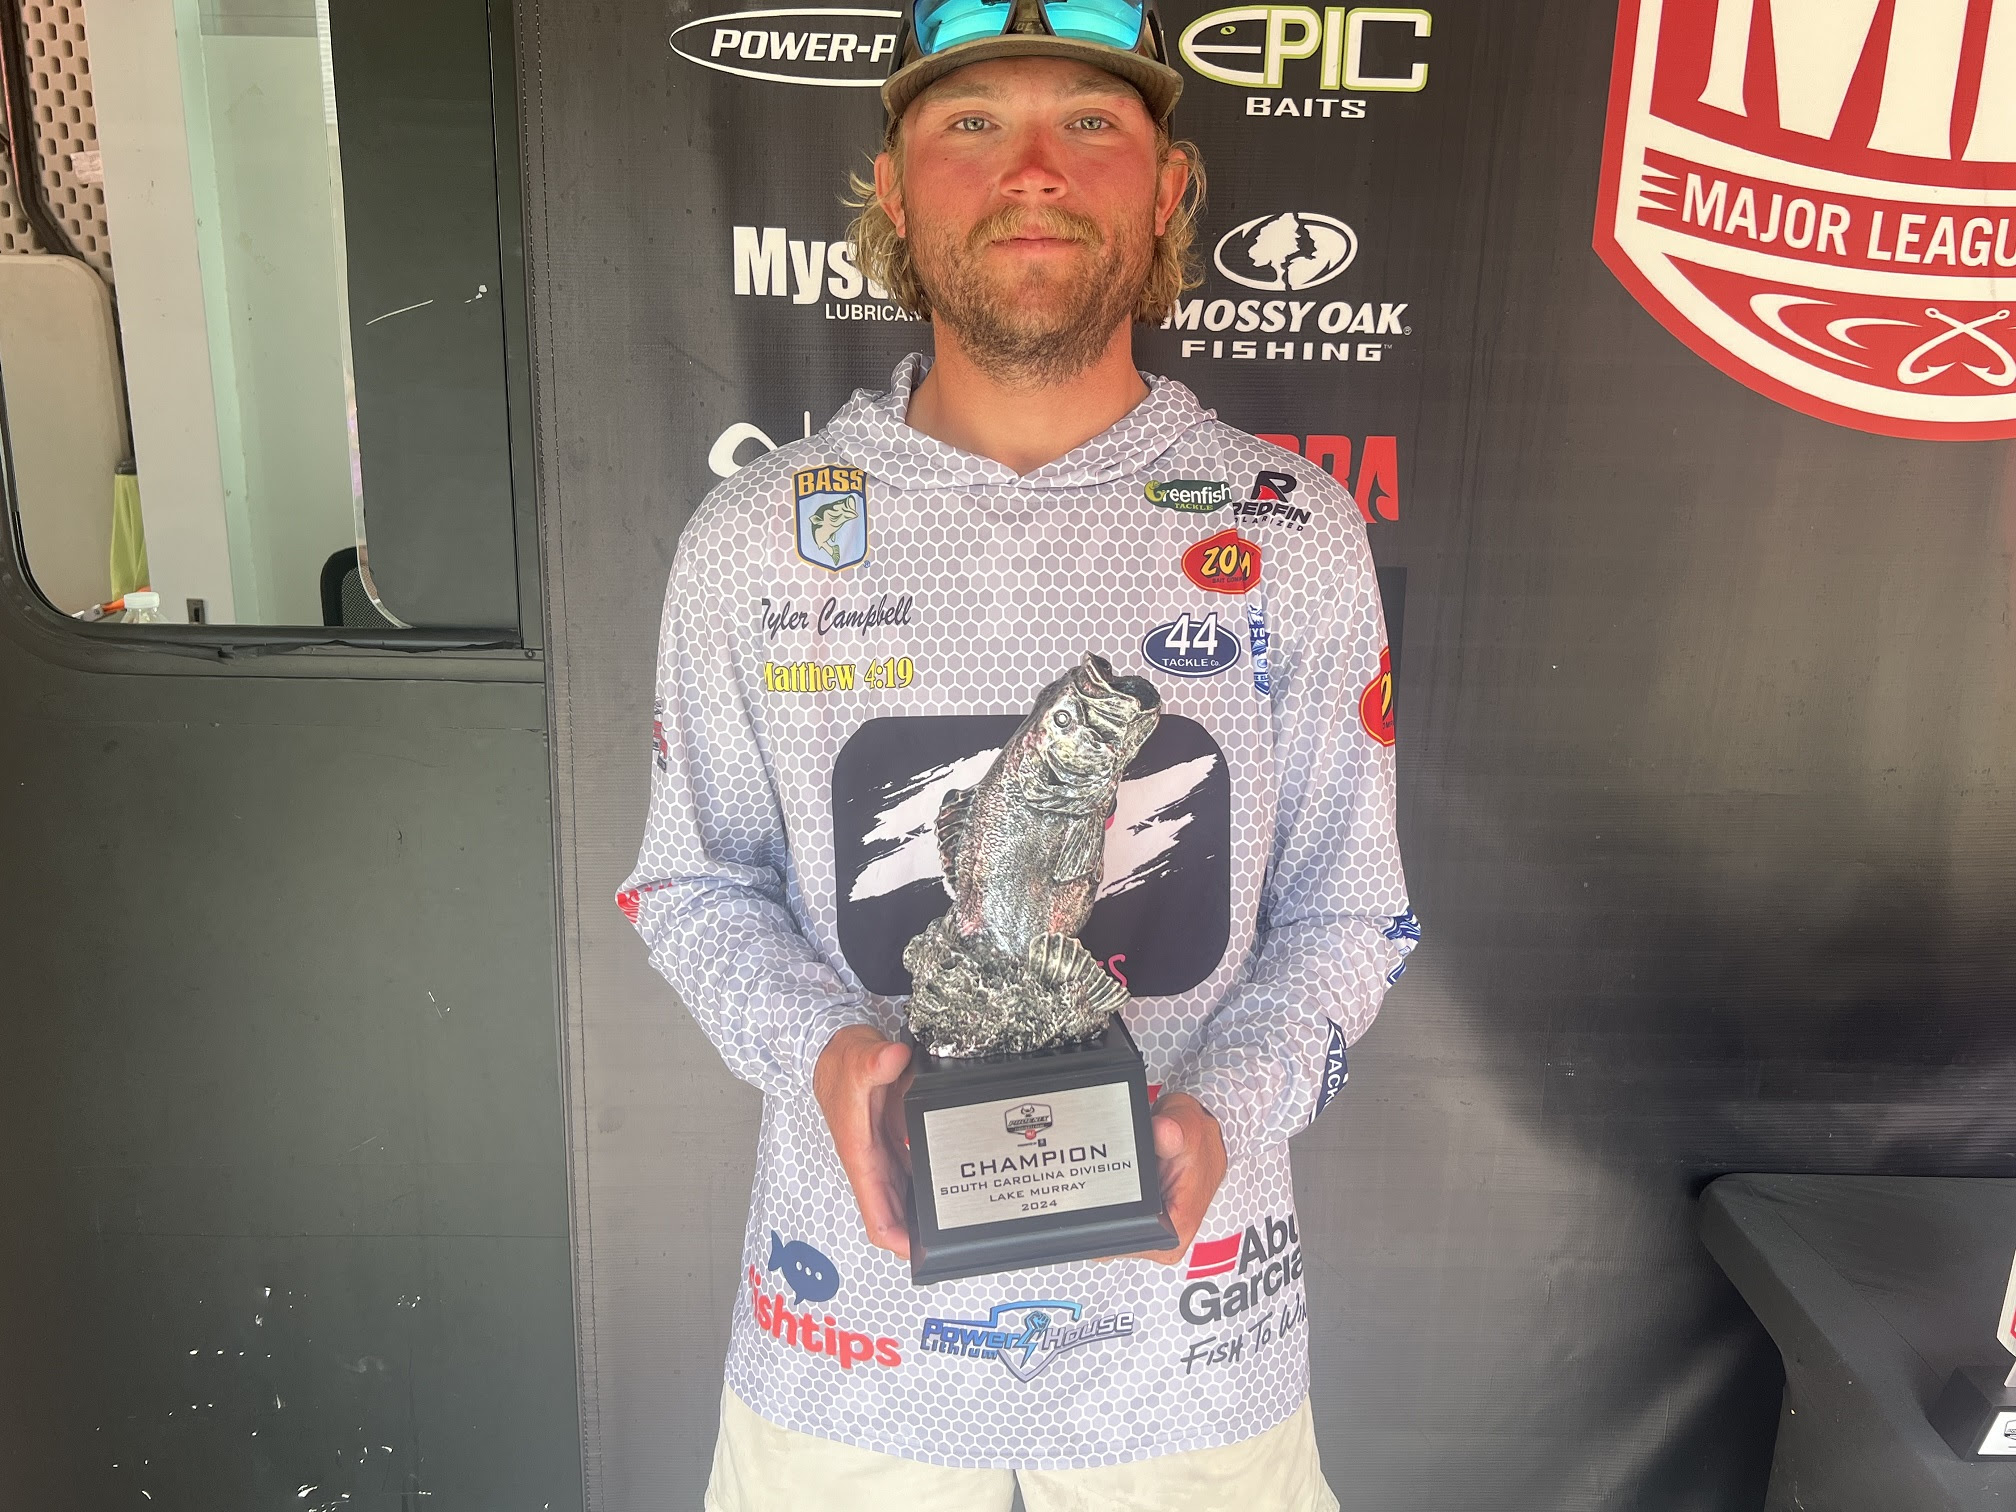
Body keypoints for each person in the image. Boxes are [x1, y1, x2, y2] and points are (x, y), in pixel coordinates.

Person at [619, 0, 1417, 1503]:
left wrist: (1222, 1113)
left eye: (1091, 121)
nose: (1034, 167)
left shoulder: (1293, 533)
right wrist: (826, 1054)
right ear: (894, 190)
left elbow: (1349, 912)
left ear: (1170, 187)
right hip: (844, 1360)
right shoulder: (755, 537)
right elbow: (691, 887)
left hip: (1194, 1376)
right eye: (972, 121)